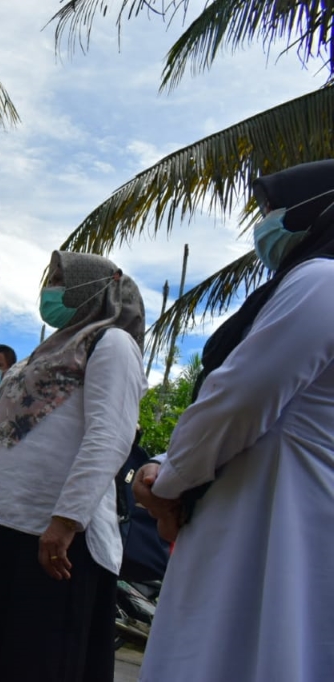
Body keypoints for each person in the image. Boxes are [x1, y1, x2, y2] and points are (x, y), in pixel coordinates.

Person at [134, 160, 334, 681]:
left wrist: (168, 481)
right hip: (293, 510)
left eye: (271, 211)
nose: (264, 224)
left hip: (267, 514)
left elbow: (237, 399)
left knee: (231, 650)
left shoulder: (321, 280)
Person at [0, 251, 146, 682]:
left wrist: (66, 519)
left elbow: (109, 435)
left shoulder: (111, 343)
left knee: (30, 658)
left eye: (62, 280)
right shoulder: (40, 354)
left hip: (51, 533)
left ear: (91, 288)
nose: (51, 289)